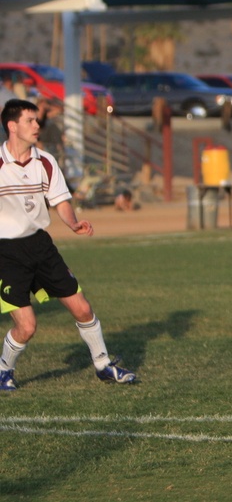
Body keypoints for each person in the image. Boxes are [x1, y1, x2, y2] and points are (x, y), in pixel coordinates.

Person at [0, 99, 136, 391]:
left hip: (41, 247)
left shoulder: (45, 161)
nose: (38, 125)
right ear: (12, 126)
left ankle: (103, 365)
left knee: (82, 308)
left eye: (37, 120)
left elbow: (60, 201)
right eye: (30, 121)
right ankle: (3, 370)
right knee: (27, 327)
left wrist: (73, 223)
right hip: (6, 253)